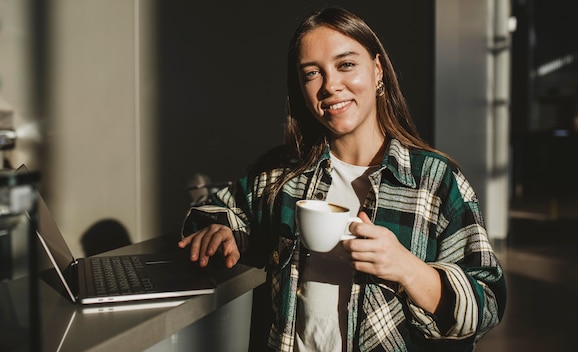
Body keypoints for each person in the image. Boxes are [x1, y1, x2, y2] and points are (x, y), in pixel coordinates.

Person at [179, 6, 506, 352]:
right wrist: (223, 231)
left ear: (377, 70)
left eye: (346, 64)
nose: (331, 85)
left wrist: (407, 268)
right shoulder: (282, 175)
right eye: (311, 73)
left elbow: (487, 304)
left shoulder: (436, 181)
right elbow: (214, 211)